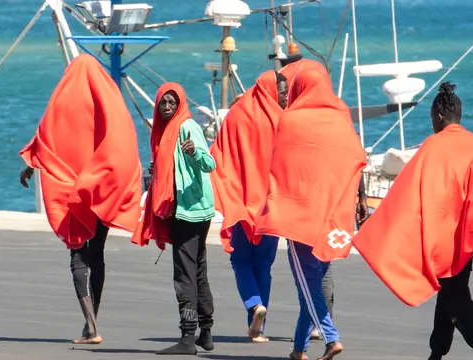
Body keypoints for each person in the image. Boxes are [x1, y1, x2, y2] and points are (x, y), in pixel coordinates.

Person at [352, 82, 473, 360]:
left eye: (432, 118)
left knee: (456, 297)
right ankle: (436, 353)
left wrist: (379, 226)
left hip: (438, 237)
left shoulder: (432, 146)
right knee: (451, 292)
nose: (432, 123)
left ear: (440, 117)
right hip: (463, 239)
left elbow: (407, 191)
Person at [18, 54, 143, 345]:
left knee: (78, 254)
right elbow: (122, 140)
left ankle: (91, 325)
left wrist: (30, 166)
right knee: (96, 255)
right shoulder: (108, 101)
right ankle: (91, 325)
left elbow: (48, 139)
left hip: (69, 189)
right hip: (98, 189)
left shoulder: (62, 101)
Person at [254, 62, 368, 360]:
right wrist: (360, 199)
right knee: (313, 281)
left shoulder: (290, 119)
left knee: (306, 280)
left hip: (298, 215)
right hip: (330, 215)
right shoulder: (341, 118)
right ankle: (298, 350)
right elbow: (356, 158)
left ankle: (331, 338)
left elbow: (277, 165)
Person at [132, 82, 216, 356]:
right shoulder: (164, 131)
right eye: (163, 103)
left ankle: (187, 337)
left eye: (172, 102)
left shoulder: (186, 126)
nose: (167, 107)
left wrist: (193, 152)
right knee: (197, 269)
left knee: (184, 273)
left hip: (189, 211)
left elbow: (209, 164)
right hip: (190, 209)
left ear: (180, 103)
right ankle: (206, 332)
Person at [210, 70, 288, 343]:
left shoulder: (236, 114)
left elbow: (218, 154)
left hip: (241, 202)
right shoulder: (281, 119)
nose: (285, 96)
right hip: (271, 203)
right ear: (270, 89)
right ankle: (260, 329)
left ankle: (255, 306)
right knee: (263, 264)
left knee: (241, 260)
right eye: (282, 91)